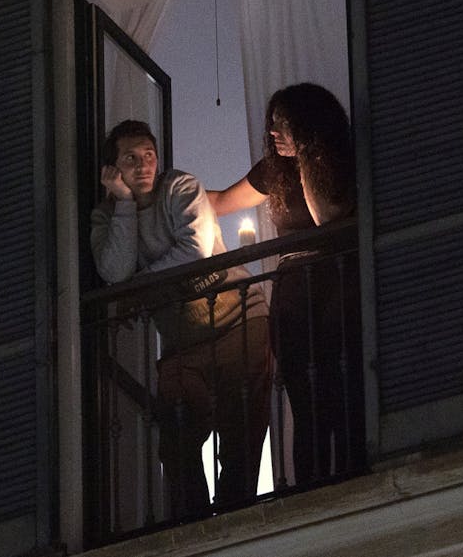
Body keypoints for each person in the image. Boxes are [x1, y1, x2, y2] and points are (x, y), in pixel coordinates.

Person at [89, 119, 271, 519]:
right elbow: (114, 270)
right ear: (112, 170)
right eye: (131, 159)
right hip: (182, 344)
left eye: (149, 155)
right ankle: (194, 529)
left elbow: (196, 252)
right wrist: (122, 204)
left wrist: (141, 286)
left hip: (239, 320)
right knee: (177, 441)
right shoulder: (106, 217)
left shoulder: (181, 187)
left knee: (241, 437)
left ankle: (234, 525)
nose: (143, 165)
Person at [206, 83, 362, 484]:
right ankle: (309, 486)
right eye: (272, 122)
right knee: (303, 398)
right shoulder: (272, 172)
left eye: (284, 122)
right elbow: (221, 201)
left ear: (308, 124)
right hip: (293, 290)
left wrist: (307, 157)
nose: (274, 131)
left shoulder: (342, 160)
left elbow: (326, 214)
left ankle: (349, 477)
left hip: (336, 282)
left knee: (341, 390)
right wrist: (166, 197)